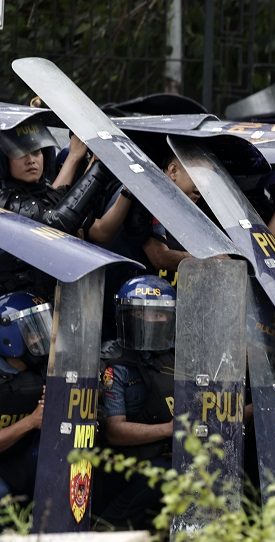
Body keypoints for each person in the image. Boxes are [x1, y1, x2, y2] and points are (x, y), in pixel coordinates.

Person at [95, 275, 176, 529]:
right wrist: (169, 430)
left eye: (160, 314)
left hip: (177, 454)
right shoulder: (114, 364)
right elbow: (115, 432)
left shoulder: (179, 356)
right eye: (145, 313)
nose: (153, 321)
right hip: (128, 462)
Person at [0, 120, 113, 296]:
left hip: (49, 304)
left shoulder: (42, 192)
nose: (31, 160)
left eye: (36, 152)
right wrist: (101, 169)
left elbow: (72, 207)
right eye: (20, 153)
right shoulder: (6, 199)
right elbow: (56, 224)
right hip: (13, 308)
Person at [0, 292, 51, 501]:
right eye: (32, 331)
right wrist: (31, 421)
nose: (42, 337)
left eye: (42, 327)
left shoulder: (44, 369)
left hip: (20, 460)